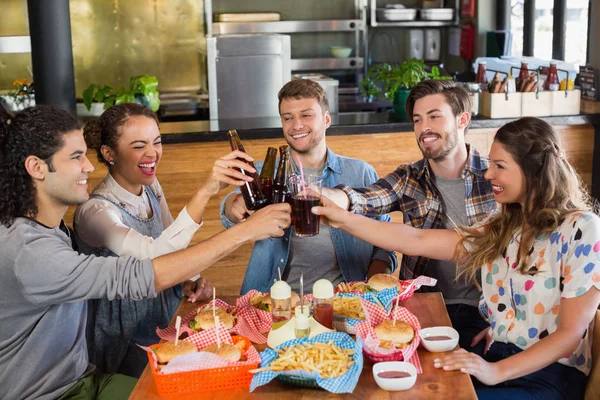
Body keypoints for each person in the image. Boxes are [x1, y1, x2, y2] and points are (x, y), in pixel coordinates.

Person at [0, 105, 291, 400]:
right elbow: (143, 270)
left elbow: (163, 248)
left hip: (85, 380)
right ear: (36, 168)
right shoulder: (31, 251)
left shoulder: (51, 229)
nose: (89, 167)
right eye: (76, 158)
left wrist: (191, 276)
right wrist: (245, 230)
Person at [313, 117, 600, 399]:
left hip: (547, 376)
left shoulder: (582, 229)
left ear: (535, 172)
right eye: (490, 164)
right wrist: (341, 219)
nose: (488, 174)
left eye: (500, 166)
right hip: (497, 355)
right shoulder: (505, 224)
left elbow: (569, 335)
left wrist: (496, 371)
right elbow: (417, 240)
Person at [323, 79, 497, 354]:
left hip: (486, 314)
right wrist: (330, 197)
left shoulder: (494, 177)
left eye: (434, 117)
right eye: (417, 119)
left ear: (462, 119)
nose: (424, 128)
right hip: (422, 309)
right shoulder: (409, 177)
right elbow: (364, 198)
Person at [73, 103, 216, 377]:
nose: (152, 153)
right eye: (139, 146)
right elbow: (151, 254)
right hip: (122, 337)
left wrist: (192, 278)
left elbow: (170, 233)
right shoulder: (96, 212)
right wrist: (205, 192)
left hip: (163, 316)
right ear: (108, 153)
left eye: (157, 142)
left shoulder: (151, 185)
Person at [221, 79, 397, 294]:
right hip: (273, 302)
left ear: (327, 119)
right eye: (288, 118)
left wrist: (371, 287)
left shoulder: (360, 172)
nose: (296, 125)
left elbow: (385, 242)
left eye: (306, 115)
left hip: (344, 300)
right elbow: (229, 211)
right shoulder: (263, 172)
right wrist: (234, 205)